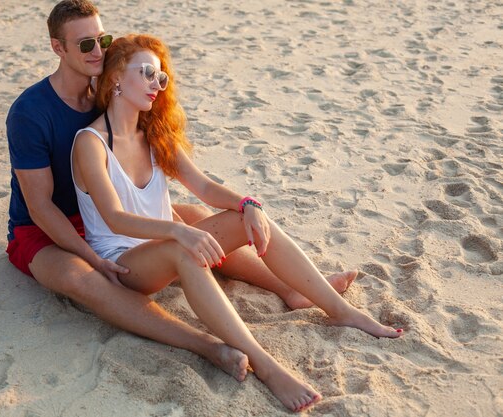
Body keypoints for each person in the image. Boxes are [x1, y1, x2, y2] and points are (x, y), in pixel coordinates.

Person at [5, 0, 357, 406]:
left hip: (112, 213)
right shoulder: (31, 113)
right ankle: (206, 344)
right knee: (80, 276)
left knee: (195, 218)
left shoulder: (107, 91)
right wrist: (91, 256)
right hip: (47, 228)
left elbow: (154, 167)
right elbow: (40, 206)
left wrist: (227, 205)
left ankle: (293, 290)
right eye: (86, 45)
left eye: (103, 39)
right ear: (57, 48)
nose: (98, 51)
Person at [70, 33, 404, 412]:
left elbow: (204, 187)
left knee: (243, 219)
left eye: (160, 78)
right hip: (124, 261)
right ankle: (266, 365)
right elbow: (115, 217)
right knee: (183, 248)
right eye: (146, 73)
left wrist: (248, 204)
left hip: (169, 243)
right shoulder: (91, 142)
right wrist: (180, 229)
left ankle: (338, 310)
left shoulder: (153, 134)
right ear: (115, 78)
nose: (155, 85)